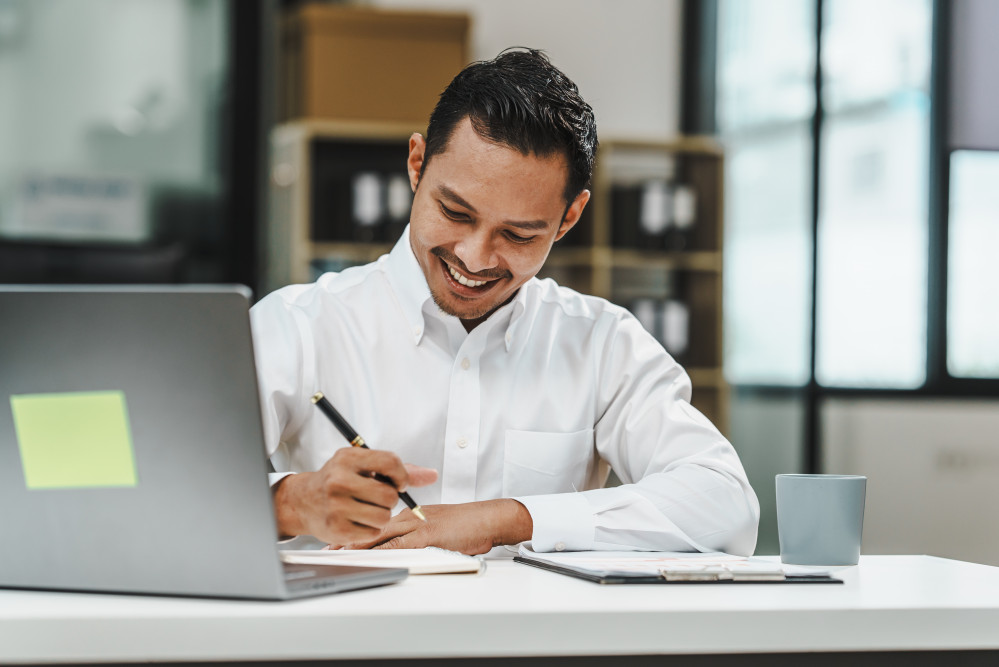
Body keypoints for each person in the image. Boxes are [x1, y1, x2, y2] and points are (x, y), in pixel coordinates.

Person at [251, 48, 759, 556]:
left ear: (568, 219)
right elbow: (175, 488)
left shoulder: (602, 344)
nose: (474, 257)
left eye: (517, 235)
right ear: (416, 165)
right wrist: (292, 502)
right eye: (455, 212)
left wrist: (510, 519)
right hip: (346, 634)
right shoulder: (298, 326)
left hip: (538, 638)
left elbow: (728, 506)